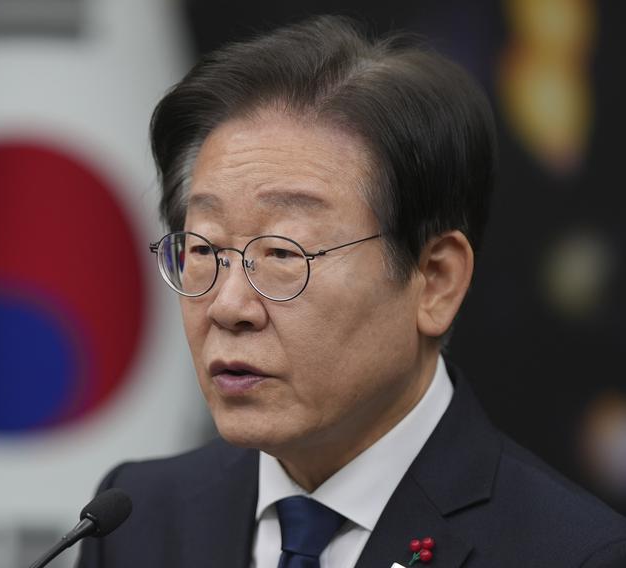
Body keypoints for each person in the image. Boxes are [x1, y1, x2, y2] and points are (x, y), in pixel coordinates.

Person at [77, 15, 626, 568]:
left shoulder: (575, 554)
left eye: (283, 255)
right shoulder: (136, 521)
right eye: (203, 251)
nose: (229, 307)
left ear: (435, 280)